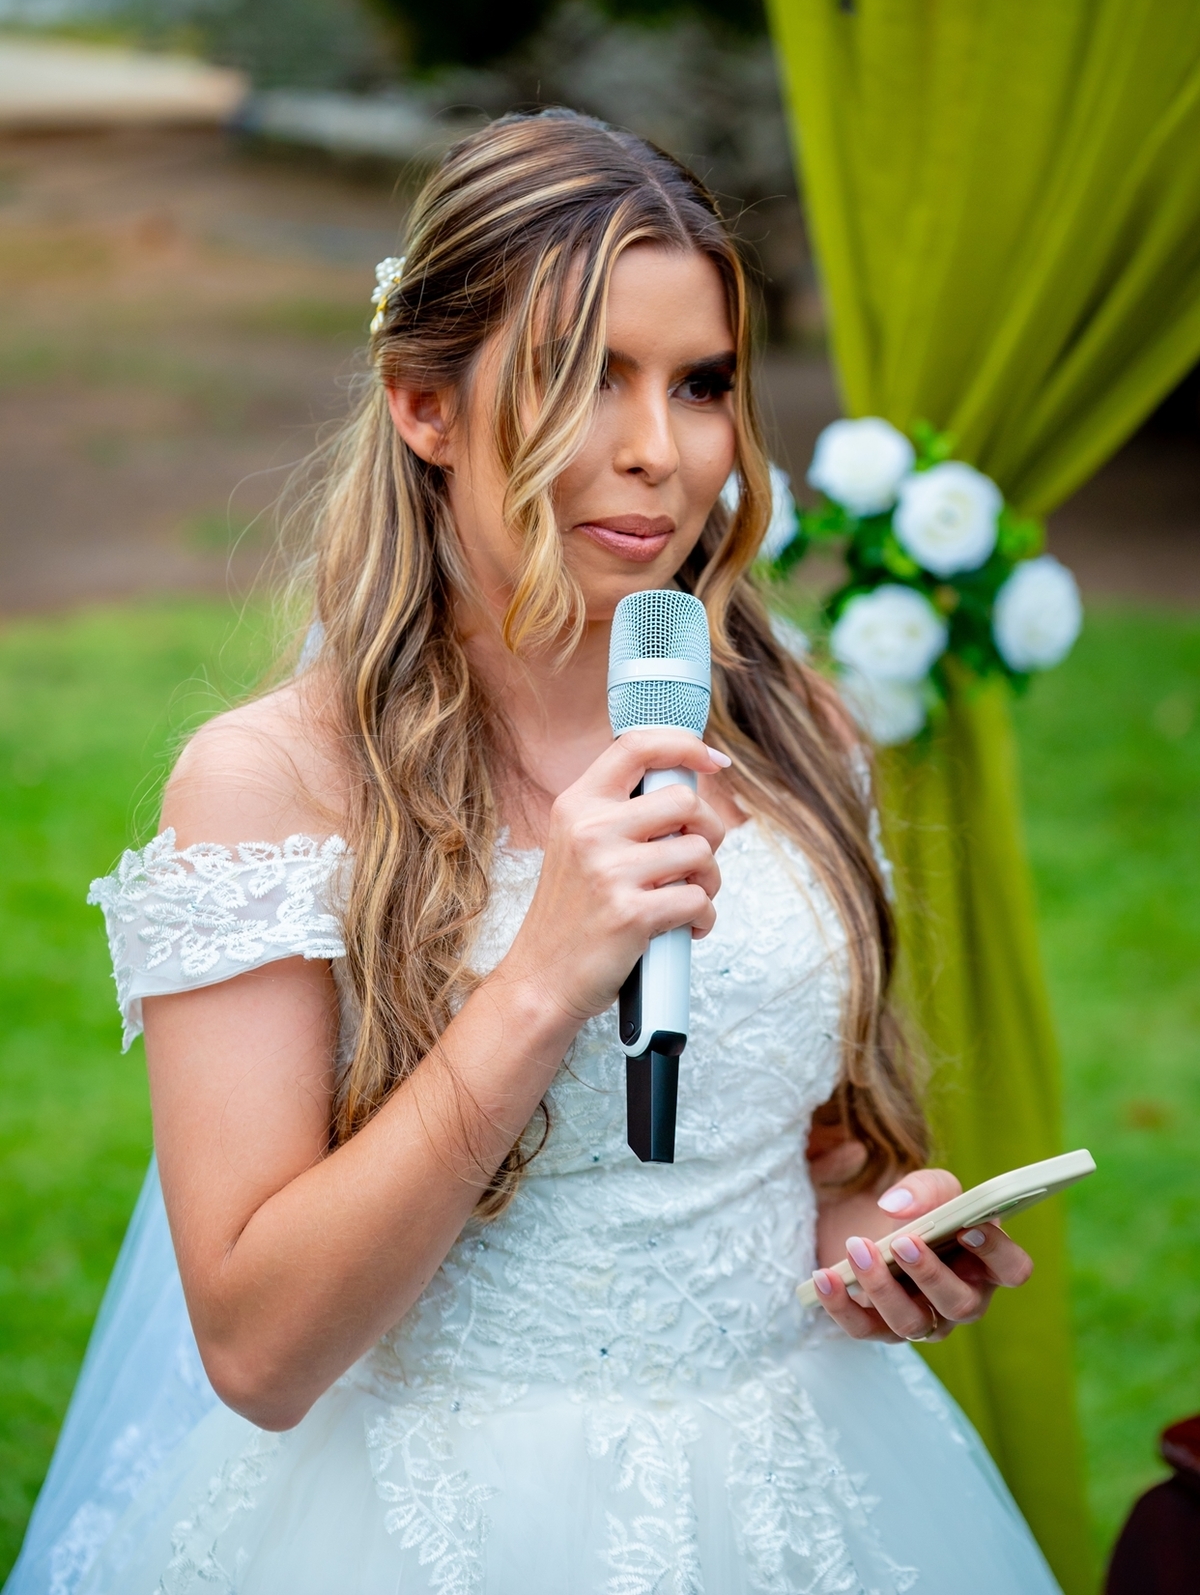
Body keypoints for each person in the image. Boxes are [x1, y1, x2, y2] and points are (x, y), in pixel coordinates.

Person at [8, 110, 1061, 1594]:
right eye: (585, 379)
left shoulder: (801, 725)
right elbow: (256, 1346)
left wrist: (868, 1235)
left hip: (799, 1482)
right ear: (425, 406)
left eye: (701, 385)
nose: (657, 452)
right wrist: (543, 975)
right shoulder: (270, 782)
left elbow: (796, 1153)